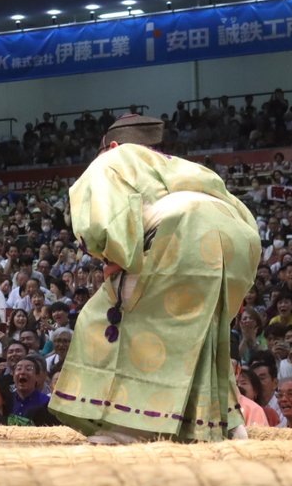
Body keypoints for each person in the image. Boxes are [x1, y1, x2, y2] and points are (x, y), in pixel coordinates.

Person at [49, 115, 260, 443]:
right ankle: (230, 426)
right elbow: (237, 207)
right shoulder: (184, 166)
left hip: (184, 234)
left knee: (107, 320)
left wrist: (112, 257)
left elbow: (100, 219)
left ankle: (129, 427)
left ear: (114, 145)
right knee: (202, 336)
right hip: (238, 241)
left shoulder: (115, 158)